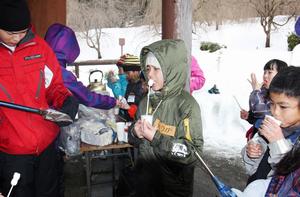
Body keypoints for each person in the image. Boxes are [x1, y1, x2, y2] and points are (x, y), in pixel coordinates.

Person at [0, 1, 78, 197]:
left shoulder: (40, 48)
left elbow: (55, 87)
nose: (17, 38)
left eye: (22, 31)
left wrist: (65, 101)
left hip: (46, 147)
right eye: (10, 33)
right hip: (11, 151)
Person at [128, 39, 203, 197]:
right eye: (147, 68)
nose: (149, 74)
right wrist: (135, 132)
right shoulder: (145, 102)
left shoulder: (187, 105)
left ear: (171, 70)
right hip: (145, 184)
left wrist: (156, 138)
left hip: (172, 189)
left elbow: (192, 152)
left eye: (156, 69)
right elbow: (134, 141)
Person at [242, 66, 300, 186]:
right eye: (272, 104)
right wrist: (251, 153)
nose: (275, 112)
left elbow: (291, 181)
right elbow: (253, 168)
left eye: (283, 107)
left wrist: (278, 143)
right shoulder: (273, 126)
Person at [44, 23, 120, 110]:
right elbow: (87, 97)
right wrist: (113, 102)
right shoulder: (60, 72)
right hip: (45, 120)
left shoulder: (38, 63)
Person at [240, 59, 288, 141]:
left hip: (275, 142)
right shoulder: (263, 91)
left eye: (269, 72)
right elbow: (257, 115)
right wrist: (249, 116)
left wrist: (255, 92)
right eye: (264, 72)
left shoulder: (284, 95)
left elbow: (262, 112)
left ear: (281, 75)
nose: (265, 75)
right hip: (259, 141)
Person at [114, 54, 147, 122]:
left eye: (128, 73)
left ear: (136, 71)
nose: (126, 75)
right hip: (128, 120)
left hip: (139, 121)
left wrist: (129, 108)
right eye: (125, 73)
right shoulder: (130, 84)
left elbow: (143, 109)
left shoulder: (144, 86)